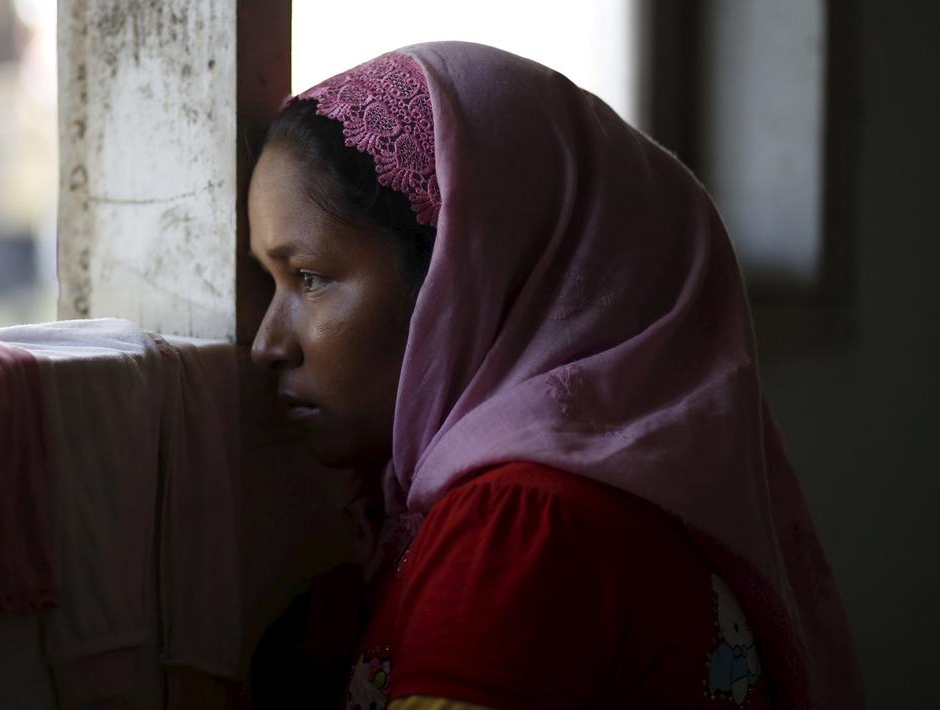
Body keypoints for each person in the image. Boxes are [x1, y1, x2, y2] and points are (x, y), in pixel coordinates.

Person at [247, 42, 862, 709]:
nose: (265, 344)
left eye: (309, 277)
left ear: (459, 279)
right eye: (268, 281)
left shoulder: (522, 525)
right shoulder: (617, 494)